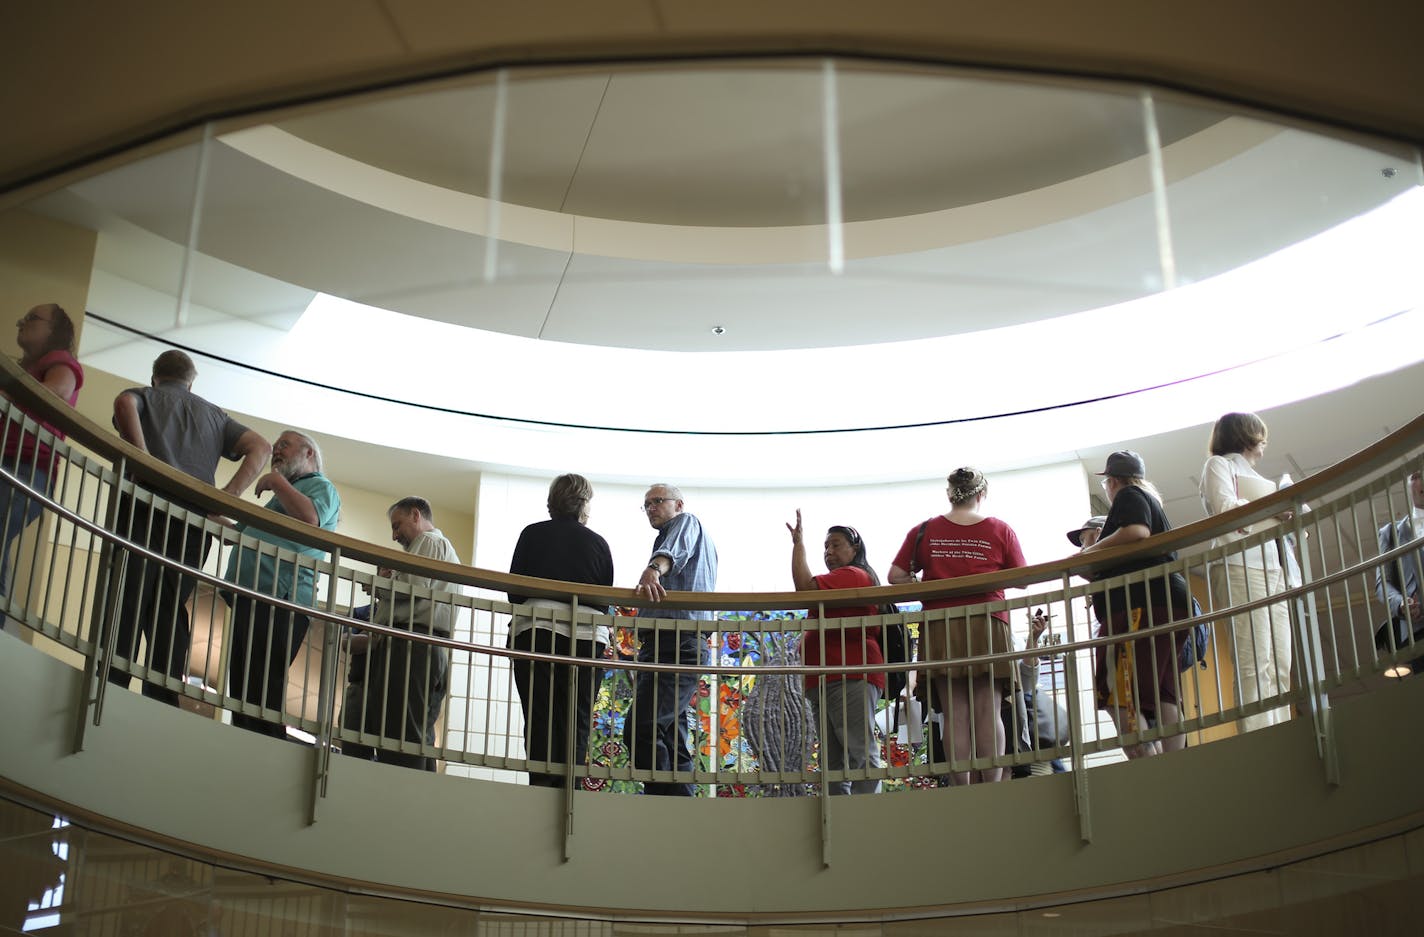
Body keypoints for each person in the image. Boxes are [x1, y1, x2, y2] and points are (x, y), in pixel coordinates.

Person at [105, 350, 271, 705]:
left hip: (144, 505)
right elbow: (261, 445)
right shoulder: (215, 416)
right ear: (191, 382)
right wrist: (228, 496)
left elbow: (123, 402)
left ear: (156, 377)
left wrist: (143, 459)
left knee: (130, 594)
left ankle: (110, 684)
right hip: (192, 521)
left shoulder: (146, 396)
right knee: (169, 603)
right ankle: (161, 697)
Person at [888, 467, 1026, 785]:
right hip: (988, 623)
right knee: (988, 709)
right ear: (982, 494)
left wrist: (925, 581)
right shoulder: (1000, 529)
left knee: (955, 711)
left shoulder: (924, 530)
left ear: (949, 494)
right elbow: (1020, 577)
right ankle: (991, 785)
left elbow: (895, 576)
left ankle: (961, 788)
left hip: (941, 624)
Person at [221, 430, 340, 738]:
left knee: (264, 686)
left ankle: (265, 750)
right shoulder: (282, 498)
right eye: (276, 446)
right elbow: (236, 532)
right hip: (251, 596)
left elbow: (310, 518)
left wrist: (276, 481)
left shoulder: (321, 487)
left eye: (284, 445)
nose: (276, 450)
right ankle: (244, 745)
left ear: (309, 454)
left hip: (280, 600)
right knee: (244, 685)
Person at [1077, 450, 1190, 758]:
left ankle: (1147, 765)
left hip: (1139, 604)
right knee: (1163, 690)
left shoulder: (1129, 496)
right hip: (1166, 601)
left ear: (1112, 481)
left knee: (1120, 692)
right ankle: (1175, 763)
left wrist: (1089, 554)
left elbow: (1137, 532)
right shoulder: (1149, 499)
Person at [507, 474, 614, 787]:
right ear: (584, 503)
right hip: (586, 637)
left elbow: (515, 592)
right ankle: (570, 795)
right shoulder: (599, 544)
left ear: (552, 500)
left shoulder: (532, 534)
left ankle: (540, 789)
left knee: (539, 717)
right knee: (577, 720)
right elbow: (604, 601)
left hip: (536, 630)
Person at [347, 497, 460, 771]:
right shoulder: (440, 548)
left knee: (400, 731)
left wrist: (381, 583)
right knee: (415, 731)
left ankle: (399, 792)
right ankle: (413, 794)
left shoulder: (430, 542)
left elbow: (412, 586)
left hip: (411, 645)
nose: (395, 535)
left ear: (415, 515)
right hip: (424, 645)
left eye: (397, 526)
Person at [1199, 412, 1294, 732]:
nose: (1264, 443)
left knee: (1281, 663)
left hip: (1273, 565)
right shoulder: (1219, 465)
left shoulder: (1258, 477)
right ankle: (1258, 738)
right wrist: (1273, 509)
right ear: (1248, 435)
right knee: (1253, 662)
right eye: (1260, 435)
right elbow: (1226, 508)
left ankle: (1281, 732)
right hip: (1239, 564)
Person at [627, 483, 718, 796]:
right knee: (671, 736)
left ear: (678, 504)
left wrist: (654, 569)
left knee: (641, 726)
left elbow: (671, 555)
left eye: (657, 501)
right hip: (669, 643)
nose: (651, 508)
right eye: (647, 504)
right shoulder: (675, 534)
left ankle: (660, 802)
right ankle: (681, 807)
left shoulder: (686, 522)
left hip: (677, 643)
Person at [787, 510, 884, 795]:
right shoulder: (840, 579)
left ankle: (866, 817)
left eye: (836, 544)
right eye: (826, 546)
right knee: (833, 760)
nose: (829, 551)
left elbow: (804, 588)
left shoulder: (853, 574)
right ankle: (840, 820)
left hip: (848, 672)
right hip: (828, 676)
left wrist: (798, 545)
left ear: (855, 549)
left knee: (858, 751)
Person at [1, 304, 83, 634]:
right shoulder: (22, 369)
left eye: (32, 318)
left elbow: (58, 393)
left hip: (29, 467)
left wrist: (7, 394)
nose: (22, 321)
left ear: (55, 331)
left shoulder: (60, 361)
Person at [1375, 470, 1424, 675]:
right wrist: (1401, 603)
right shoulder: (1391, 533)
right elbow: (1382, 584)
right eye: (1417, 475)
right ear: (1409, 485)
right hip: (1417, 631)